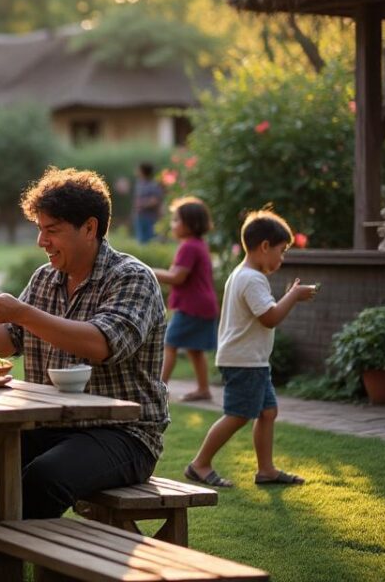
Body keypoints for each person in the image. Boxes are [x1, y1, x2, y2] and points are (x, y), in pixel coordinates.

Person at [0, 167, 168, 521]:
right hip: (49, 425)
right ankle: (12, 527)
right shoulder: (45, 278)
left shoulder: (133, 278)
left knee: (45, 476)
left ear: (89, 228)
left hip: (124, 434)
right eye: (40, 230)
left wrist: (23, 312)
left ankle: (8, 536)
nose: (42, 241)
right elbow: (5, 344)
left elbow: (102, 344)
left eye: (52, 231)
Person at [185, 210, 317, 488]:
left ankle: (266, 470)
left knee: (268, 412)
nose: (282, 259)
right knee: (238, 414)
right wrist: (292, 296)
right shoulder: (252, 279)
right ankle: (200, 464)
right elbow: (269, 318)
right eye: (281, 251)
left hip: (251, 360)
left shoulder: (242, 274)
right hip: (244, 361)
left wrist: (287, 297)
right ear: (265, 246)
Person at [153, 197, 220, 402]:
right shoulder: (199, 244)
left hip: (192, 306)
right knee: (195, 350)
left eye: (176, 220)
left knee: (169, 344)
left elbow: (176, 277)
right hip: (204, 305)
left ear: (190, 224)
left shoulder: (189, 247)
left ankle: (158, 387)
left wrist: (147, 271)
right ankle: (203, 389)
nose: (173, 224)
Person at [132, 162, 164, 243]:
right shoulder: (139, 183)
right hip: (140, 215)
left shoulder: (153, 185)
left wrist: (142, 204)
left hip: (150, 217)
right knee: (141, 240)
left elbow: (155, 200)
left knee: (151, 239)